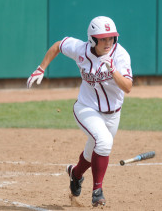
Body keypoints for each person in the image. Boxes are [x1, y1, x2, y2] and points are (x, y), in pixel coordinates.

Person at [27, 16, 133, 207]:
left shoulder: (121, 55)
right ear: (92, 39)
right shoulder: (81, 49)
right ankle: (97, 192)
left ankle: (75, 174)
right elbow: (59, 45)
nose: (108, 42)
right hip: (86, 108)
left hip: (113, 114)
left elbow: (128, 87)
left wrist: (113, 71)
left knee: (94, 150)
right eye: (103, 38)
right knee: (104, 142)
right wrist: (40, 68)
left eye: (111, 38)